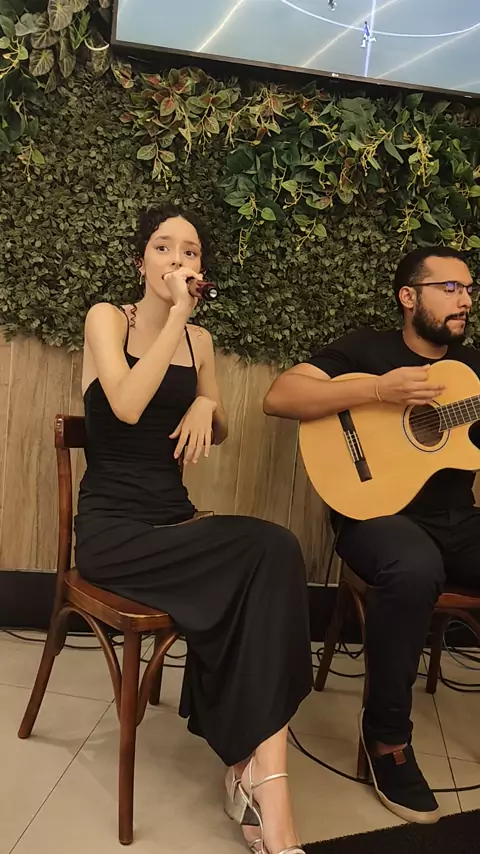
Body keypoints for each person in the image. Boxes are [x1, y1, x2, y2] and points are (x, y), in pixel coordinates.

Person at [75, 203, 312, 854]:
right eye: (163, 247)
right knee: (261, 560)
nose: (178, 258)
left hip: (175, 521)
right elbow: (126, 405)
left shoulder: (199, 343)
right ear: (140, 262)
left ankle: (263, 779)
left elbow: (221, 427)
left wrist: (208, 401)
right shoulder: (107, 319)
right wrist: (179, 314)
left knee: (273, 549)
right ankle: (262, 789)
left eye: (191, 251)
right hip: (114, 532)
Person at [263, 246, 480, 825]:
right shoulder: (365, 350)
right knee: (413, 569)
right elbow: (280, 397)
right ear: (409, 296)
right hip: (375, 517)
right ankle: (387, 739)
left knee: (430, 558)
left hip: (457, 520)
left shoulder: (472, 372)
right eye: (450, 288)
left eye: (468, 289)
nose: (464, 299)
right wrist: (379, 392)